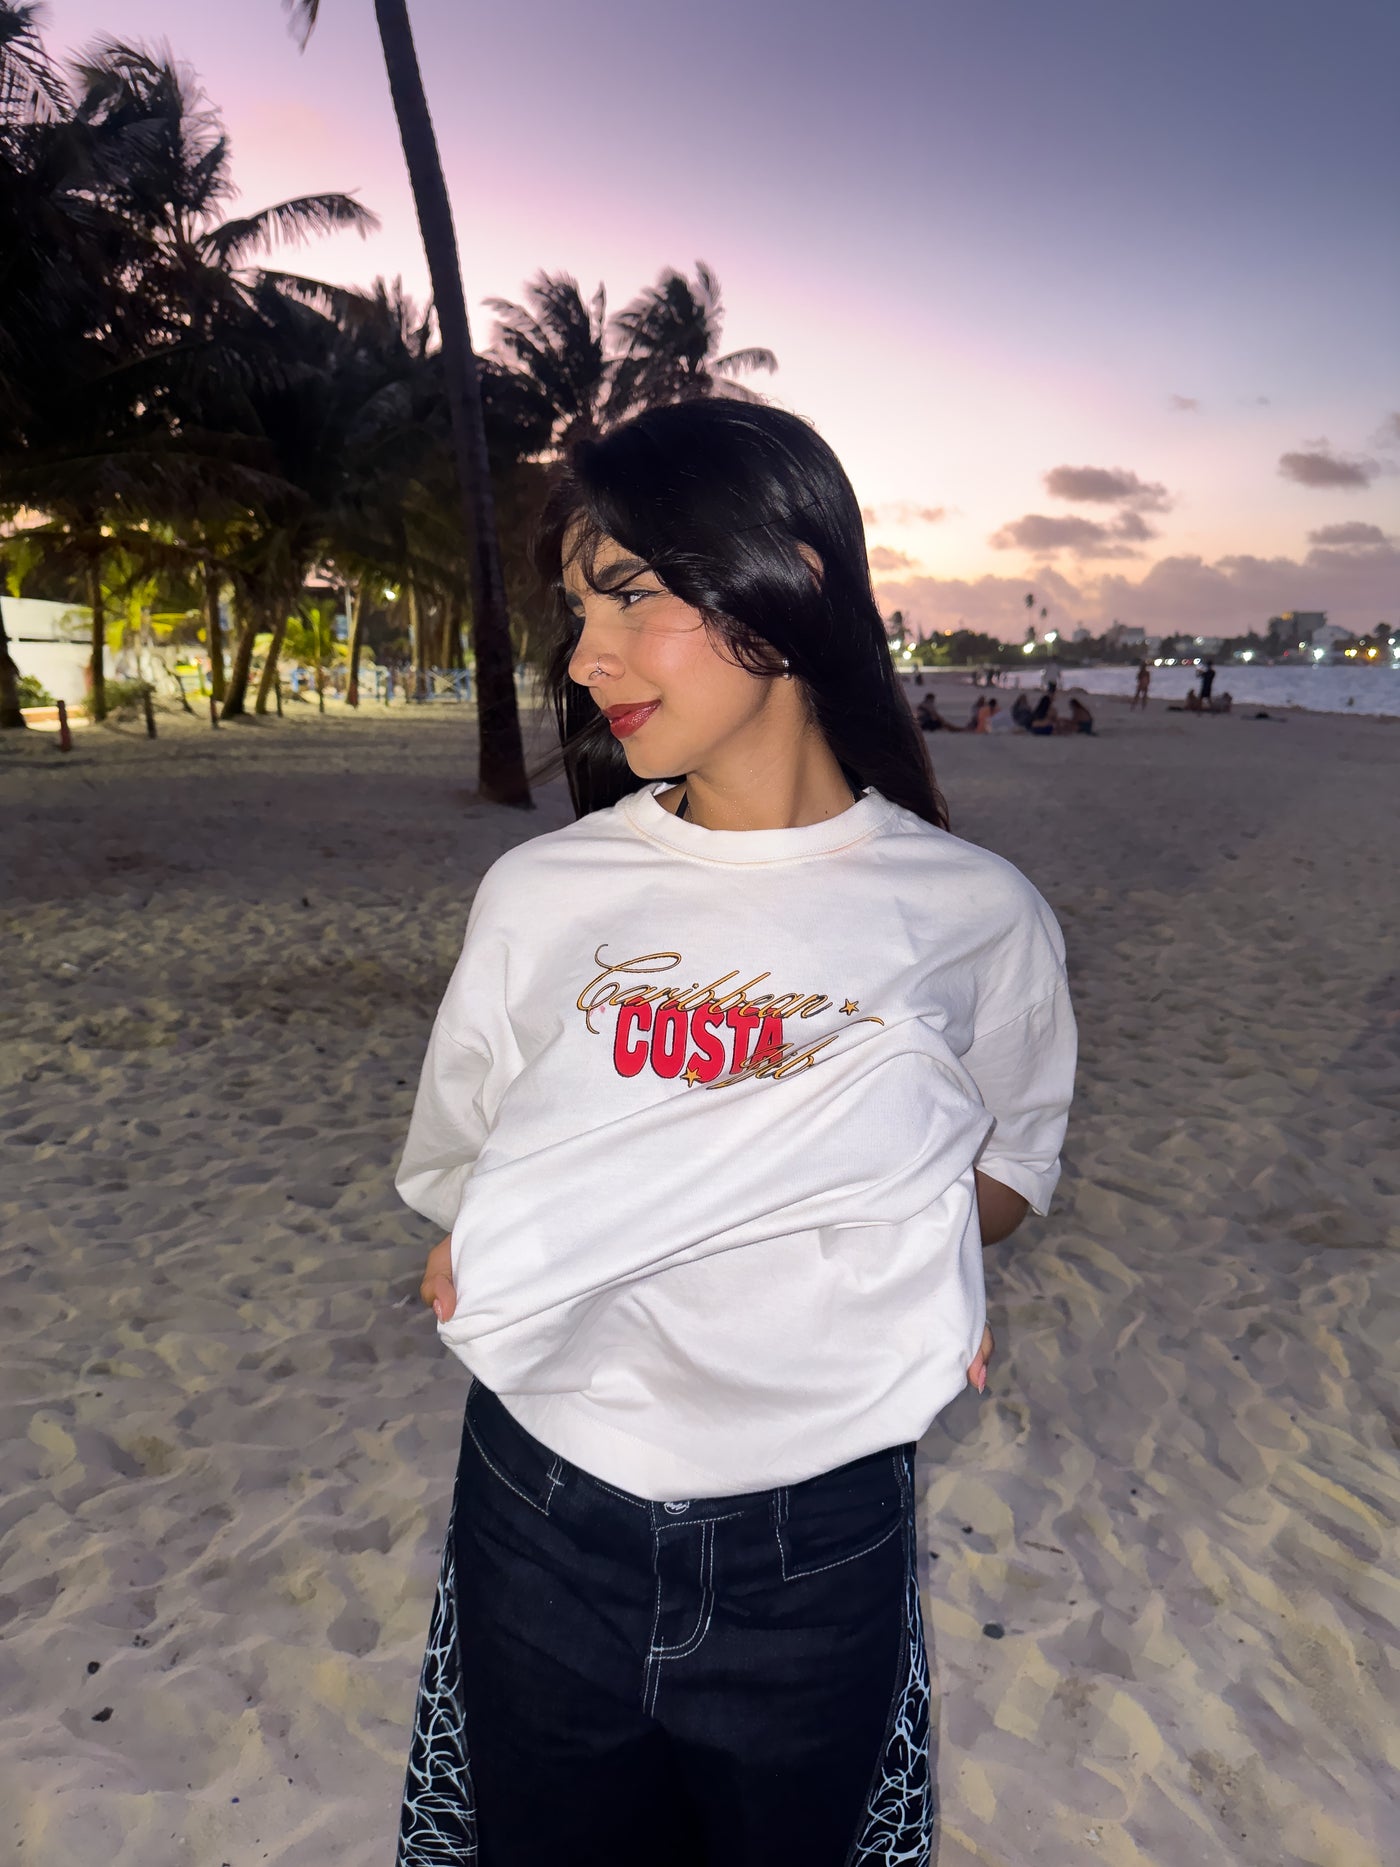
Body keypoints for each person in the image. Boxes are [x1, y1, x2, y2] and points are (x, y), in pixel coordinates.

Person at [395, 400, 1076, 1867]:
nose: (586, 657)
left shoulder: (976, 914)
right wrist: (480, 1233)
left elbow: (1012, 1168)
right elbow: (463, 1153)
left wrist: (924, 1240)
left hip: (819, 1532)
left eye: (630, 595)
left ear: (792, 579)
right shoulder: (544, 895)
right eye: (578, 611)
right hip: (544, 1500)